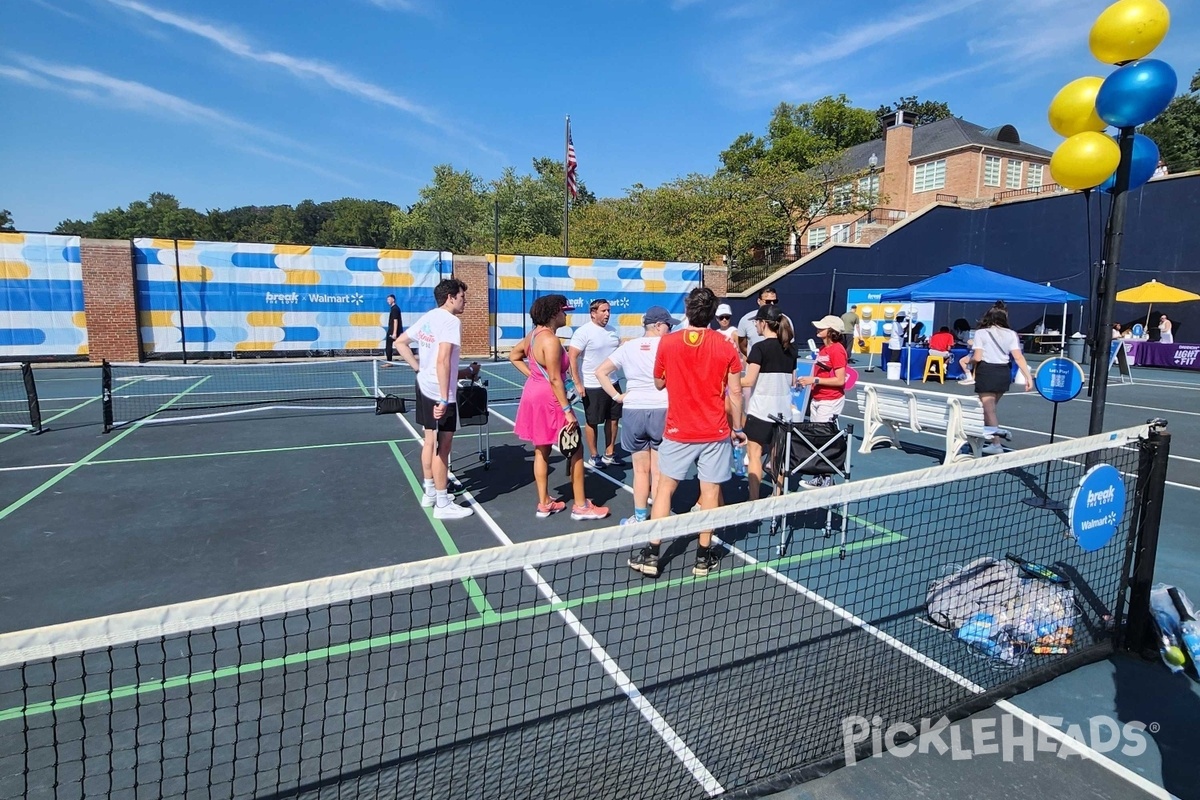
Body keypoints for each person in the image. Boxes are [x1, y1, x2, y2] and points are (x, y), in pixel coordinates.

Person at [628, 287, 745, 579]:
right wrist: (739, 428)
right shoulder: (725, 345)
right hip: (714, 429)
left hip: (679, 429)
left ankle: (652, 554)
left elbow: (658, 383)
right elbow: (736, 393)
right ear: (713, 313)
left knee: (664, 488)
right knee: (709, 492)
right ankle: (703, 559)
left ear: (687, 310)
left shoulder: (667, 343)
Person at [511, 294, 610, 521]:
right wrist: (567, 410)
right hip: (551, 400)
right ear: (554, 313)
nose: (566, 314)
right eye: (564, 311)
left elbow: (514, 356)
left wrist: (535, 377)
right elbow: (556, 379)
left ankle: (544, 502)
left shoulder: (533, 336)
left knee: (541, 448)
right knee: (576, 450)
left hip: (534, 395)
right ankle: (581, 506)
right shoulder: (551, 341)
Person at [392, 278, 479, 520]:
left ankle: (429, 491)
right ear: (451, 297)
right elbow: (442, 360)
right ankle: (442, 503)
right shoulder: (451, 321)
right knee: (443, 447)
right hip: (440, 393)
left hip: (424, 386)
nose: (465, 301)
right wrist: (443, 398)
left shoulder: (429, 317)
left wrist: (419, 369)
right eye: (462, 296)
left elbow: (400, 342)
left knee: (429, 440)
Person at [595, 306, 678, 525]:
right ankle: (661, 518)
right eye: (668, 325)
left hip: (633, 410)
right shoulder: (668, 345)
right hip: (662, 408)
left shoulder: (628, 347)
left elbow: (600, 372)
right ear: (659, 326)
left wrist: (617, 396)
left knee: (640, 470)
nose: (670, 329)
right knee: (659, 471)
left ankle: (640, 517)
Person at [740, 304, 796, 501]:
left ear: (763, 323)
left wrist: (724, 379)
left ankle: (753, 500)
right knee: (776, 457)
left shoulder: (759, 348)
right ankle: (777, 496)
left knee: (754, 455)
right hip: (783, 412)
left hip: (761, 411)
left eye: (756, 322)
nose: (755, 325)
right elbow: (793, 380)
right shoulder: (791, 349)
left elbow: (748, 380)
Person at [795, 315, 849, 487]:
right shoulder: (824, 350)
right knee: (817, 438)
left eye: (822, 327)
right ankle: (821, 476)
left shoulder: (837, 350)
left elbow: (840, 380)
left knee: (824, 439)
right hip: (818, 398)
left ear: (832, 331)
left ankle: (826, 478)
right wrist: (807, 380)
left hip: (830, 400)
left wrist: (815, 381)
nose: (818, 329)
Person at [971, 305, 1032, 455]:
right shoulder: (1011, 334)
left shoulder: (981, 333)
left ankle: (996, 443)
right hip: (1003, 372)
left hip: (987, 371)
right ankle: (988, 437)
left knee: (988, 410)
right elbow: (1018, 357)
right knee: (990, 410)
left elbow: (978, 357)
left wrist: (969, 361)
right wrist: (1028, 376)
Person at [569, 299, 622, 468]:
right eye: (603, 311)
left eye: (608, 311)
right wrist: (577, 382)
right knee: (593, 421)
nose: (607, 314)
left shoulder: (613, 331)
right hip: (592, 385)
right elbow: (572, 357)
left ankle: (609, 453)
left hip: (612, 383)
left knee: (613, 419)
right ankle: (594, 455)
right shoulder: (583, 332)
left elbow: (620, 351)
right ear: (593, 313)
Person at [737, 286, 791, 359]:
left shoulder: (785, 320)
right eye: (768, 302)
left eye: (775, 302)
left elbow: (789, 345)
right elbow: (742, 346)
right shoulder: (746, 320)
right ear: (759, 301)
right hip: (755, 366)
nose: (772, 304)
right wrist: (755, 359)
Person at [383, 294, 403, 363]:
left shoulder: (395, 309)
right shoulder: (394, 308)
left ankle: (389, 362)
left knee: (389, 346)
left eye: (389, 299)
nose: (387, 301)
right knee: (401, 344)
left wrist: (394, 333)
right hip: (393, 330)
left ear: (393, 299)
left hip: (393, 331)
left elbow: (395, 321)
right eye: (387, 299)